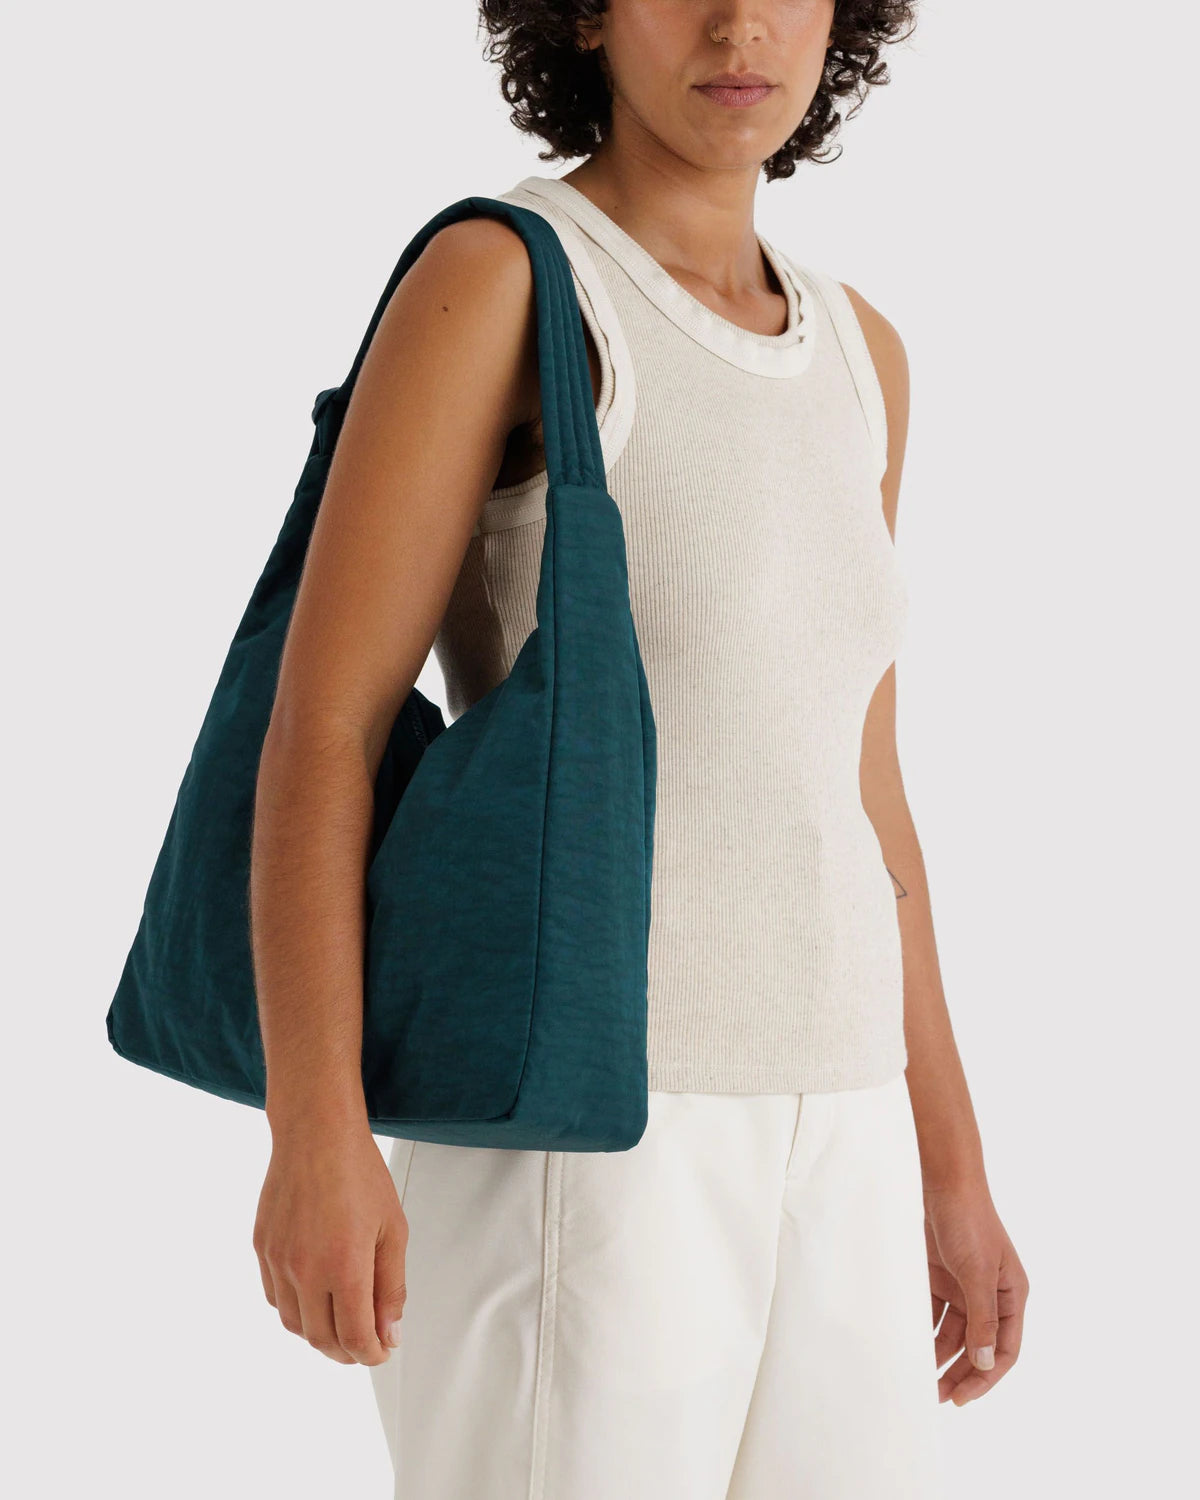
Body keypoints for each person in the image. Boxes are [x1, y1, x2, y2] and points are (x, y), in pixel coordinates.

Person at [249, 3, 1029, 1497]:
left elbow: (863, 792)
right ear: (587, 15)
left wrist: (949, 1162)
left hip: (846, 1121)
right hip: (589, 1122)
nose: (740, 26)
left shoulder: (862, 352)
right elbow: (326, 727)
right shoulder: (505, 281)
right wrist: (314, 1131)